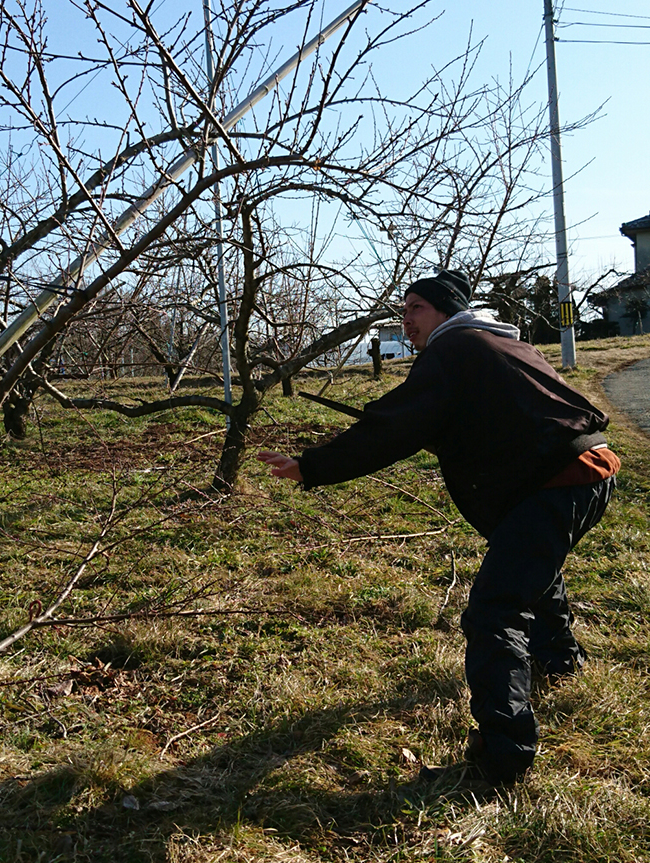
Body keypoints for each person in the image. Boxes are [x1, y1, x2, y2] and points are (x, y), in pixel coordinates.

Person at [258, 268, 619, 792]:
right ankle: (559, 660)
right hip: (586, 469)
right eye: (403, 311)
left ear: (447, 311)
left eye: (416, 309)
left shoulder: (455, 350)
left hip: (557, 482)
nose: (406, 322)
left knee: (494, 611)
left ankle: (503, 760)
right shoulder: (494, 344)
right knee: (532, 569)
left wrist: (311, 466)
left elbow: (395, 426)